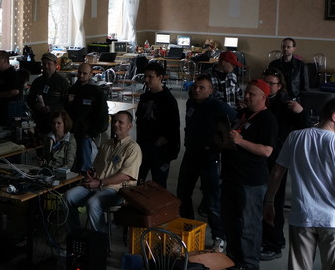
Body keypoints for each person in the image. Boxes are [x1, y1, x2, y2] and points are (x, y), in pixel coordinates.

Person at [263, 98, 335, 270]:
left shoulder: (296, 137)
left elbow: (277, 171)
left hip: (302, 217)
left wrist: (269, 202)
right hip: (332, 221)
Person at [176, 74, 237, 252]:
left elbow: (236, 119)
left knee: (212, 200)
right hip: (191, 154)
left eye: (202, 87)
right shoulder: (191, 103)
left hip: (210, 156)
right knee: (183, 193)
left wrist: (223, 141)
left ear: (210, 90)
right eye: (195, 86)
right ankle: (188, 229)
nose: (197, 90)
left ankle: (218, 237)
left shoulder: (217, 106)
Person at [221, 79, 277, 270]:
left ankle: (249, 261)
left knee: (249, 222)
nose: (246, 96)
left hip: (250, 180)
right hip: (232, 175)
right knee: (230, 219)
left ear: (263, 97)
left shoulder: (267, 120)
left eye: (252, 94)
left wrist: (240, 141)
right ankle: (233, 255)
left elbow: (267, 151)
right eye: (246, 92)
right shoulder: (243, 114)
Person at [260, 68, 310, 261]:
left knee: (274, 201)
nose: (267, 86)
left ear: (280, 86)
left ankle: (274, 243)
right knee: (266, 199)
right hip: (266, 156)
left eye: (271, 83)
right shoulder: (264, 100)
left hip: (278, 158)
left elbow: (305, 127)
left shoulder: (286, 104)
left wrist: (301, 111)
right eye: (265, 82)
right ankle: (272, 239)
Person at [64, 111, 141, 233]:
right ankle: (75, 235)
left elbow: (126, 175)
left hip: (117, 191)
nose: (115, 124)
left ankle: (100, 240)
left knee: (93, 203)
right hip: (97, 185)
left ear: (129, 126)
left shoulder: (133, 148)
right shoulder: (106, 144)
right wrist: (91, 175)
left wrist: (100, 182)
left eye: (120, 122)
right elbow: (95, 167)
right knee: (68, 196)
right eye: (114, 121)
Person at [135, 61, 180, 189]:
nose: (146, 80)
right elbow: (140, 119)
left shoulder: (168, 100)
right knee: (138, 178)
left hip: (160, 149)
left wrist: (159, 143)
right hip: (143, 145)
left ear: (160, 77)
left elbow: (173, 126)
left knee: (159, 183)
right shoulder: (144, 97)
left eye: (150, 77)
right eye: (145, 76)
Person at [65, 62, 108, 172]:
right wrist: (67, 101)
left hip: (86, 135)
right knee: (69, 165)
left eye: (85, 73)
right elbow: (66, 113)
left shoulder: (97, 93)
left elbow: (103, 117)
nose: (81, 75)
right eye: (79, 73)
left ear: (90, 74)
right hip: (71, 133)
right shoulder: (71, 90)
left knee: (84, 167)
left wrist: (91, 133)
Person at [26, 53, 70, 134]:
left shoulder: (62, 83)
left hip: (56, 122)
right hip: (39, 120)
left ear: (55, 64)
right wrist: (35, 105)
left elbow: (67, 103)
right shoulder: (37, 81)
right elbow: (30, 99)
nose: (46, 66)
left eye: (49, 64)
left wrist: (51, 108)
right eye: (44, 64)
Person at [0, 50, 21, 126]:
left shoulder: (12, 74)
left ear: (3, 60)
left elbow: (15, 91)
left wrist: (0, 95)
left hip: (8, 110)